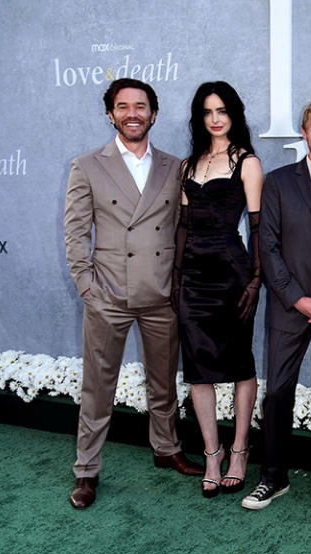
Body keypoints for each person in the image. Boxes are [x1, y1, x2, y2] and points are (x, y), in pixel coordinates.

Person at [64, 78, 202, 509]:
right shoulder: (88, 165)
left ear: (154, 114)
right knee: (98, 387)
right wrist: (86, 284)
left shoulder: (175, 166)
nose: (132, 113)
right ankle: (87, 470)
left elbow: (186, 228)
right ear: (111, 115)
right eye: (123, 107)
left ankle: (166, 448)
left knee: (163, 382)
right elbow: (74, 231)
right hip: (108, 293)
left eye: (140, 106)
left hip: (160, 293)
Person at [241, 100, 311, 510]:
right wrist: (297, 298)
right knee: (278, 394)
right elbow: (267, 247)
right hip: (290, 307)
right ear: (304, 134)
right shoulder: (278, 182)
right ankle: (273, 476)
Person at [173, 81, 263, 498]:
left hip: (233, 273)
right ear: (200, 117)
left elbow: (259, 228)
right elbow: (182, 226)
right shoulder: (189, 165)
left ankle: (240, 450)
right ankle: (213, 452)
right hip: (193, 276)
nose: (216, 118)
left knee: (241, 363)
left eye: (223, 110)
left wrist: (256, 279)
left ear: (234, 114)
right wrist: (175, 279)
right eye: (208, 111)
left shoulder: (247, 162)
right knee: (197, 367)